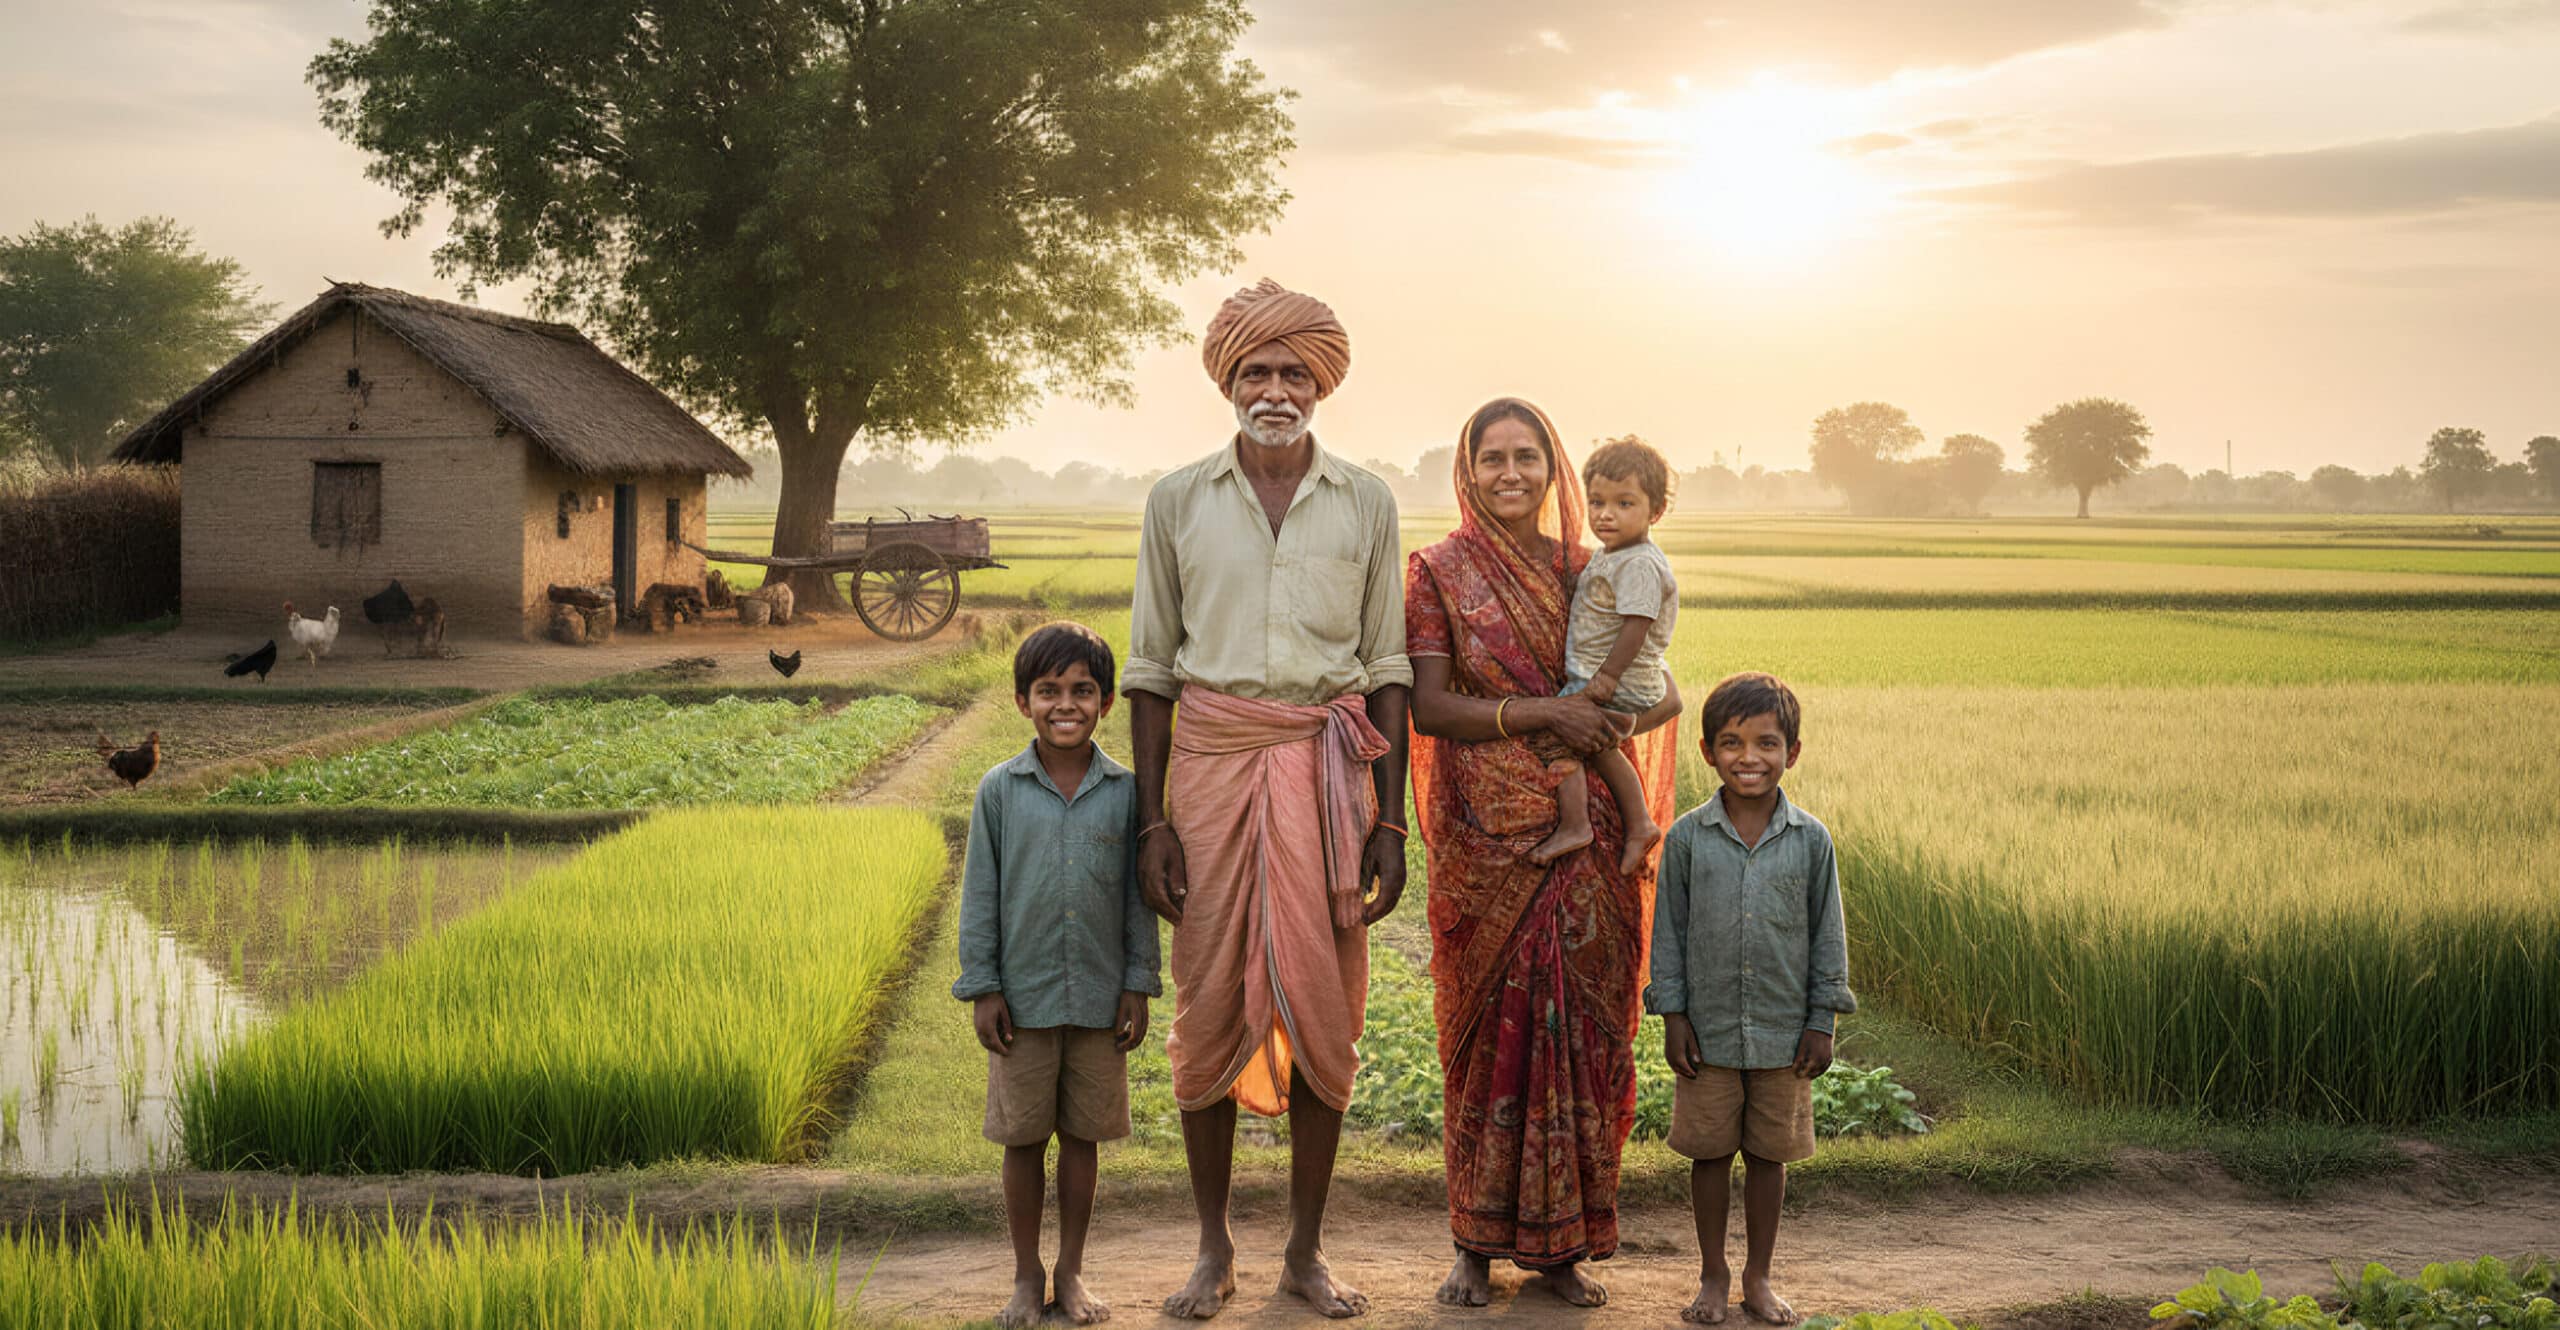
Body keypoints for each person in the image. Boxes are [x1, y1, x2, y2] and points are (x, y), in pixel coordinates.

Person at [1125, 278, 1412, 1321]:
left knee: (1323, 1010)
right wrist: (1151, 820)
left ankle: (1303, 1251)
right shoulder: (1176, 499)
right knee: (1206, 1006)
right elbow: (1151, 667)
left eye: (1294, 372)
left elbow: (1387, 666)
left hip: (1327, 780)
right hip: (1206, 770)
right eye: (1257, 371)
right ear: (1228, 382)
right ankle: (1213, 1249)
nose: (1276, 389)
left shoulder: (1367, 501)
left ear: (1320, 382)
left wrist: (1391, 818)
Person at [1406, 398, 1681, 1309]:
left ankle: (1564, 1249)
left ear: (1552, 465)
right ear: (1468, 468)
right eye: (1494, 458)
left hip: (1589, 838)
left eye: (1529, 456)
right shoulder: (1437, 573)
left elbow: (1662, 690)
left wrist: (1602, 718)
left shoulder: (1592, 567)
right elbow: (1430, 709)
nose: (1512, 474)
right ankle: (1472, 1247)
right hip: (1484, 845)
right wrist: (1543, 714)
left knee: (1582, 1034)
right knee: (1484, 1038)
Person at [953, 622, 1161, 1329]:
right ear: (1022, 701)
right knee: (1021, 1139)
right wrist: (983, 986)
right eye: (1048, 691)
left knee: (1083, 1137)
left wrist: (1137, 982)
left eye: (1081, 690)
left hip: (1101, 999)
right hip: (1024, 998)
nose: (1064, 704)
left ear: (1105, 703)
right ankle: (1024, 1274)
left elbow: (1138, 897)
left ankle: (1070, 1271)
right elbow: (980, 893)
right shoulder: (999, 791)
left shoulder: (1127, 792)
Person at [1647, 672, 1856, 1326]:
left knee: (1769, 1156)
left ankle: (1758, 1277)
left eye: (1767, 743)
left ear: (1792, 752)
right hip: (1706, 1034)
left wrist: (1821, 1020)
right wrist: (1673, 1014)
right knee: (1709, 1155)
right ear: (1708, 751)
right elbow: (1669, 932)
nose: (1749, 757)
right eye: (1732, 743)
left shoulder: (1811, 840)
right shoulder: (1686, 838)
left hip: (1782, 1033)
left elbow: (1829, 933)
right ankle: (1713, 1274)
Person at [1531, 437, 1676, 876]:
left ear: (1655, 512)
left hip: (1613, 678)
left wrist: (1608, 678)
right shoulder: (1615, 555)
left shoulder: (1638, 564)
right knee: (1594, 744)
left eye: (1624, 503)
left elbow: (1638, 623)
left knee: (1569, 737)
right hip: (1600, 673)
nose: (1606, 514)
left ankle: (1595, 824)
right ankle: (1633, 824)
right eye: (1597, 502)